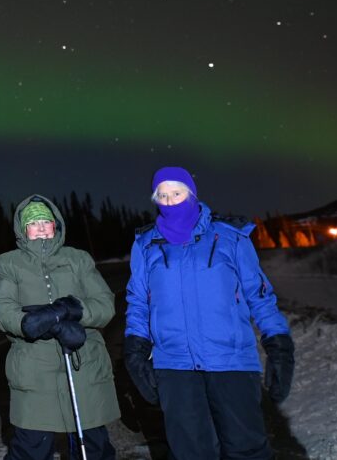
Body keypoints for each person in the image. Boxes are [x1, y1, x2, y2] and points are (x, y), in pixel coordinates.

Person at [124, 166, 295, 460]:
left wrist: (278, 342)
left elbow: (259, 294)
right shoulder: (146, 244)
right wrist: (135, 348)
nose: (170, 202)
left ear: (191, 193)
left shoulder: (230, 237)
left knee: (247, 448)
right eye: (162, 196)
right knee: (191, 452)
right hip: (174, 366)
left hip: (230, 360)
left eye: (176, 193)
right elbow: (139, 300)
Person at [0, 194, 120, 460]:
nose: (39, 227)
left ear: (56, 225)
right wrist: (29, 323)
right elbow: (2, 308)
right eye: (33, 222)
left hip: (84, 364)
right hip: (35, 369)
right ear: (22, 229)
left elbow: (105, 304)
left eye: (45, 221)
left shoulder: (78, 259)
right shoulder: (9, 263)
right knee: (31, 446)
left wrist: (75, 312)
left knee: (92, 445)